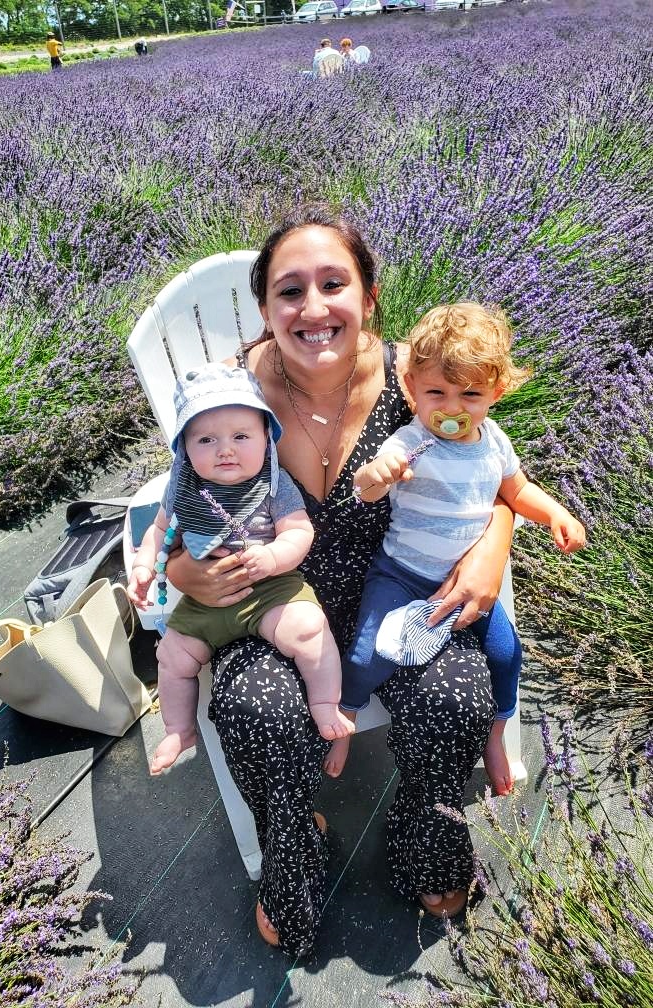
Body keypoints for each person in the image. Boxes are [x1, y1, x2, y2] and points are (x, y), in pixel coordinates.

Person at [164, 206, 515, 955]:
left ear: (370, 295)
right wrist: (178, 568)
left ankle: (425, 827)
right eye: (290, 291)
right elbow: (174, 499)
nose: (313, 308)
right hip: (271, 603)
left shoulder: (419, 379)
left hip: (402, 588)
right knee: (254, 708)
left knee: (457, 692)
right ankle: (295, 843)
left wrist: (495, 542)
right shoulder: (230, 397)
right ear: (265, 309)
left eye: (334, 284)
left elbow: (494, 475)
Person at [324, 302, 587, 789]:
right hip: (402, 576)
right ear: (411, 390)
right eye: (436, 393)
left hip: (466, 582)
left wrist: (556, 513)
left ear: (496, 393)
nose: (451, 408)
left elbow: (517, 491)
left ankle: (496, 731)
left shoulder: (495, 443)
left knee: (508, 653)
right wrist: (376, 476)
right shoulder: (411, 441)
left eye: (470, 394)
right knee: (365, 654)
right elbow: (370, 485)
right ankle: (346, 717)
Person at [128, 364, 354, 775]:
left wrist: (274, 556)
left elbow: (299, 531)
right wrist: (145, 565)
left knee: (307, 628)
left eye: (240, 436)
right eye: (206, 440)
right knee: (172, 656)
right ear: (184, 449)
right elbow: (160, 532)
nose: (224, 450)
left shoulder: (273, 483)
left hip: (269, 589)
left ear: (267, 438)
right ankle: (179, 729)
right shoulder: (182, 489)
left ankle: (325, 704)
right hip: (202, 604)